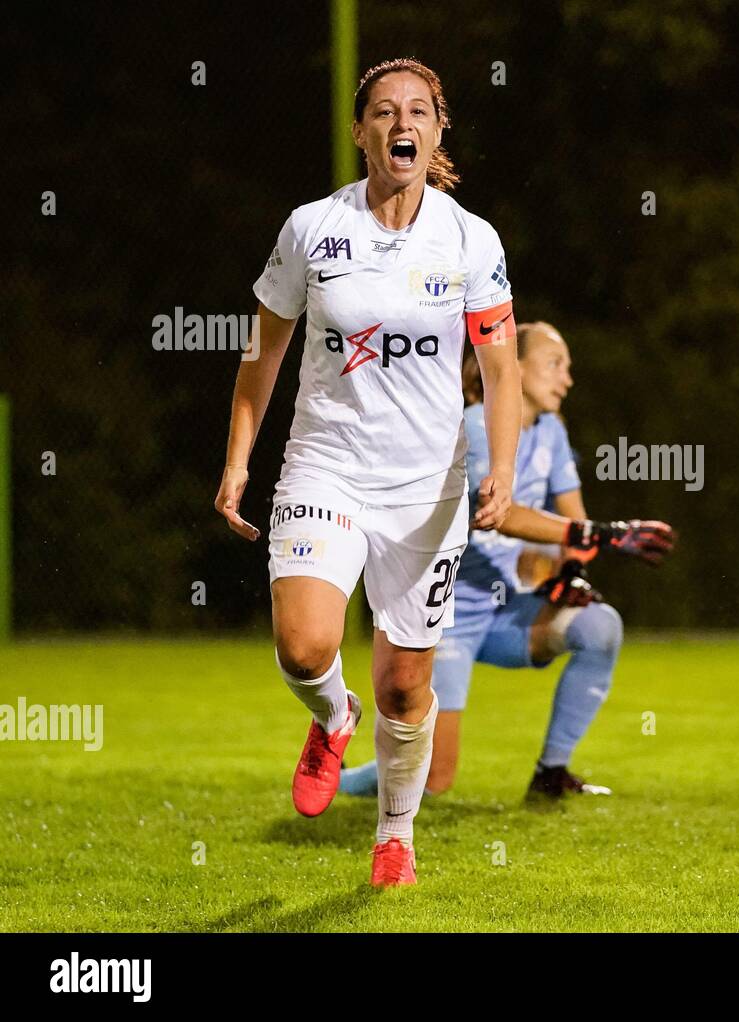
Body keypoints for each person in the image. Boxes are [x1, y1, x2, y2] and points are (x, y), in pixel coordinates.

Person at [215, 58, 521, 887]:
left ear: (437, 130)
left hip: (427, 491)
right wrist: (239, 458)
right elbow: (262, 353)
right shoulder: (312, 228)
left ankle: (395, 836)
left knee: (404, 686)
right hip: (327, 468)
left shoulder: (470, 239)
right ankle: (329, 713)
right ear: (360, 132)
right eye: (383, 112)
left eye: (417, 111)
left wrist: (502, 467)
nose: (400, 124)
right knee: (306, 643)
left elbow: (501, 368)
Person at [339, 322, 675, 801]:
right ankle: (343, 781)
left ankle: (550, 775)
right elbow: (501, 515)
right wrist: (601, 534)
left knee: (599, 626)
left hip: (507, 612)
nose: (567, 379)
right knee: (434, 779)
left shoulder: (551, 431)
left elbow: (572, 525)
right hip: (447, 614)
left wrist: (572, 572)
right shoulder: (475, 426)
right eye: (555, 365)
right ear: (513, 370)